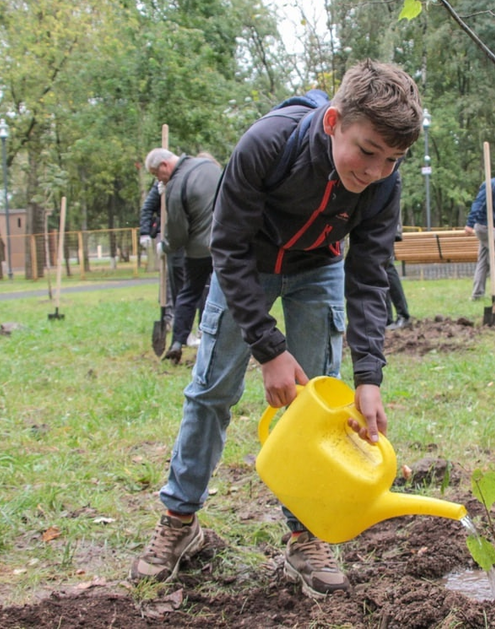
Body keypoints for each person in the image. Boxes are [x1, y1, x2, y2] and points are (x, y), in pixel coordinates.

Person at [129, 60, 424, 597]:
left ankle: (305, 534)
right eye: (368, 150)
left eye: (393, 159)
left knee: (318, 405)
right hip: (249, 264)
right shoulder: (268, 143)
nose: (376, 170)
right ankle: (179, 521)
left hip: (320, 267)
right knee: (212, 392)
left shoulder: (383, 184)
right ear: (334, 121)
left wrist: (370, 376)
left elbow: (369, 276)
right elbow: (227, 246)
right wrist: (267, 349)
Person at [144, 148, 222, 364]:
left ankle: (178, 342)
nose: (159, 179)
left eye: (156, 174)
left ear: (164, 166)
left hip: (199, 251)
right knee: (225, 293)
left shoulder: (176, 186)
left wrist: (165, 246)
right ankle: (221, 342)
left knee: (189, 293)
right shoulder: (211, 167)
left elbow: (177, 232)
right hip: (227, 246)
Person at [464, 165, 495, 300]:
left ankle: (477, 294)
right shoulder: (490, 186)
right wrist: (469, 224)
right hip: (485, 227)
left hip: (488, 227)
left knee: (483, 261)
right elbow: (478, 203)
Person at [140, 180, 181, 329]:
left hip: (183, 235)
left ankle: (182, 317)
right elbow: (147, 208)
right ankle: (168, 315)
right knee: (167, 277)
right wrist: (144, 232)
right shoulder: (160, 185)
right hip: (163, 235)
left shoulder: (185, 180)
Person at [385, 224, 411, 330]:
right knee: (379, 270)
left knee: (386, 267)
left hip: (384, 224)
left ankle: (403, 315)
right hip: (378, 225)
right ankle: (386, 318)